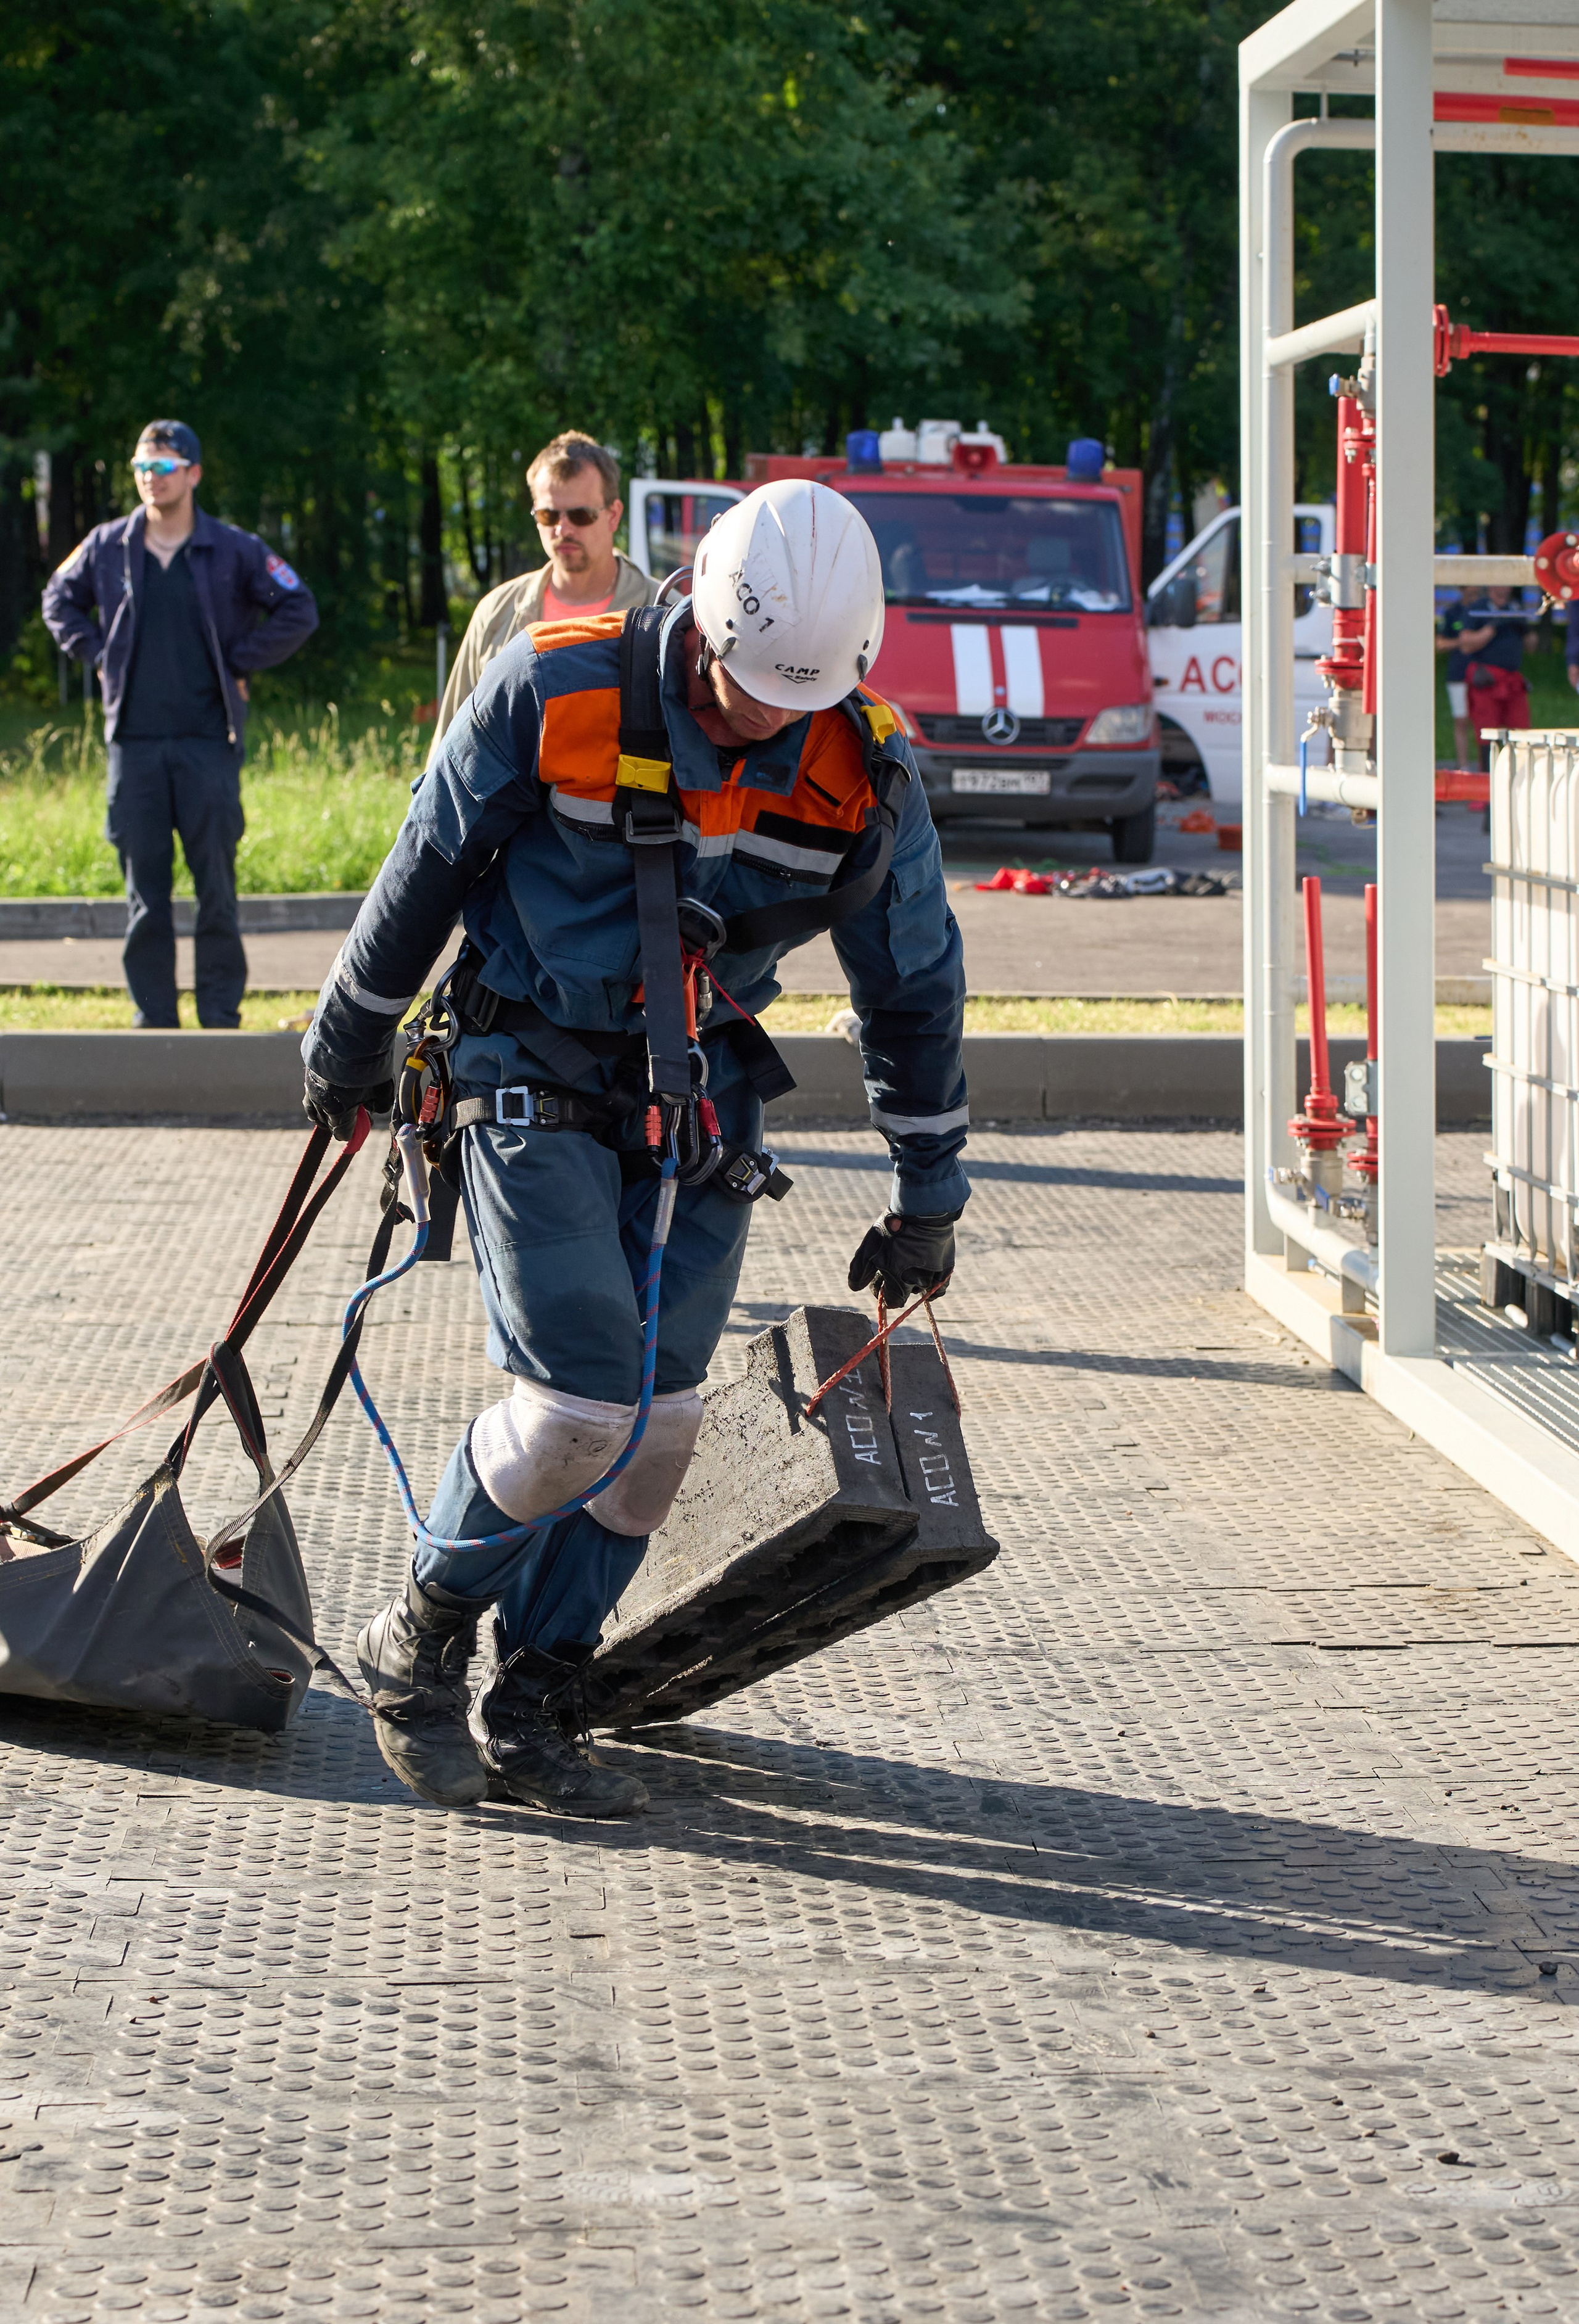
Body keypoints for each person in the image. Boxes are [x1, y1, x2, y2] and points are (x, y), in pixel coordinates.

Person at [302, 479, 967, 1819]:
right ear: (703, 617)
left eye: (791, 702)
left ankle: (539, 1691)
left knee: (660, 1430)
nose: (760, 719)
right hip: (529, 1064)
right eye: (741, 688)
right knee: (576, 1408)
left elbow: (913, 985)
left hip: (698, 1104)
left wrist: (927, 1196)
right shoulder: (556, 690)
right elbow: (426, 864)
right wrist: (348, 1041)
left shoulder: (865, 768)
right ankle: (416, 1637)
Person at [41, 421, 318, 1029]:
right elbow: (57, 600)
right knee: (145, 894)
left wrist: (241, 660)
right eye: (142, 467)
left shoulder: (234, 549)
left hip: (207, 744)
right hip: (134, 747)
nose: (151, 478)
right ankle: (155, 1022)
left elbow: (299, 607)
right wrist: (98, 654)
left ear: (193, 474)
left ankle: (220, 1019)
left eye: (163, 467)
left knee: (216, 890)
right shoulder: (108, 545)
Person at [427, 431, 658, 758]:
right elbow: (450, 745)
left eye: (580, 515)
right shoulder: (497, 612)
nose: (563, 529)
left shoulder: (663, 612)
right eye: (549, 515)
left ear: (613, 515)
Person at [1457, 583, 1538, 764]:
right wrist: (1492, 628)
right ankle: (1487, 773)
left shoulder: (1516, 608)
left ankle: (1520, 769)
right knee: (1487, 730)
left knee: (1521, 728)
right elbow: (1466, 645)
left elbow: (1532, 645)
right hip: (1487, 679)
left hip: (1512, 680)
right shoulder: (1478, 609)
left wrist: (1524, 628)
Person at [1436, 590, 1472, 769]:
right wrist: (1465, 642)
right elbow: (1440, 643)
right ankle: (1464, 765)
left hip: (1483, 676)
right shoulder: (1452, 613)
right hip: (1458, 674)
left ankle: (1485, 766)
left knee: (1485, 721)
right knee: (1461, 720)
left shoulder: (1484, 609)